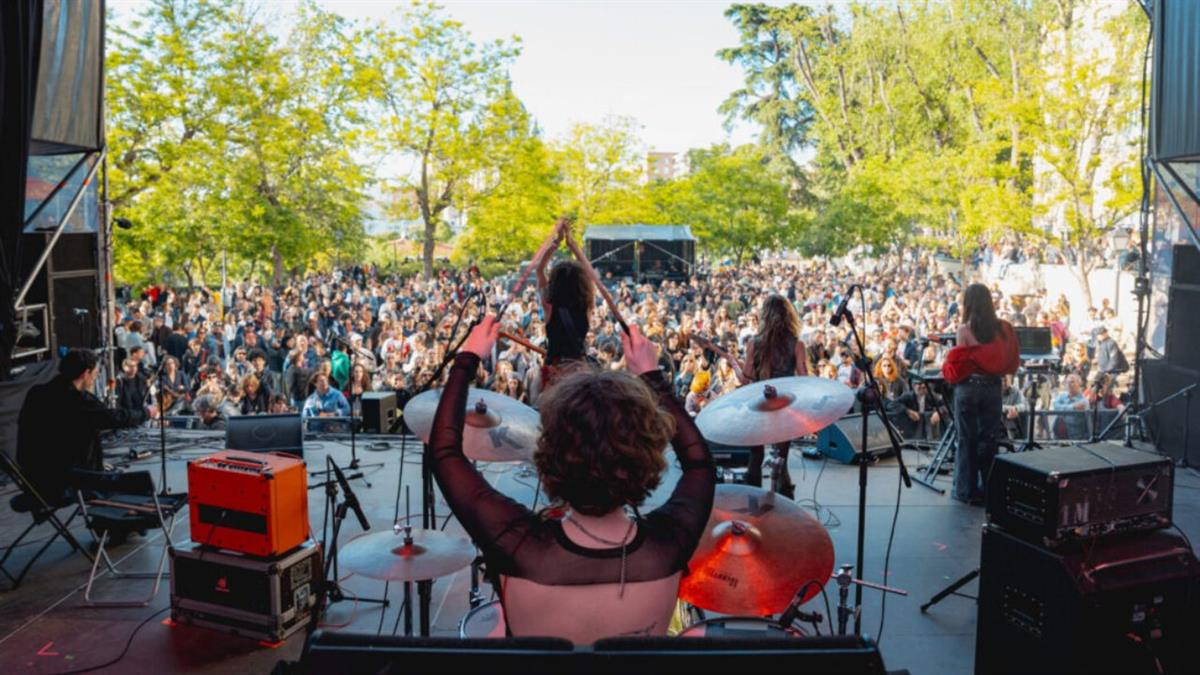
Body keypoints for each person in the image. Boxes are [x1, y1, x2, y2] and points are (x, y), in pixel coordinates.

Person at [429, 316, 714, 644]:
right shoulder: (669, 543)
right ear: (645, 455)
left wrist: (466, 359)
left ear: (550, 453)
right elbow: (700, 463)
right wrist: (652, 377)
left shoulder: (519, 544)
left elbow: (444, 453)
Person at [17, 350, 154, 504]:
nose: (95, 377)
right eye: (95, 373)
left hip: (33, 481)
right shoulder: (78, 400)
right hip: (67, 483)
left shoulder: (36, 393)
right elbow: (114, 418)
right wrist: (146, 413)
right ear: (85, 373)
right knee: (137, 485)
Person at [942, 283, 1020, 505]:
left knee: (966, 440)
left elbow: (960, 365)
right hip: (992, 388)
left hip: (969, 389)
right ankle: (988, 489)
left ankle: (965, 491)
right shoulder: (1003, 329)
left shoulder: (964, 330)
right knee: (989, 439)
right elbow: (1011, 358)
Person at [737, 295, 808, 496]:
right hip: (783, 406)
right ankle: (785, 505)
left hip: (758, 405)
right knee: (781, 460)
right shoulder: (797, 344)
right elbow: (805, 379)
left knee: (755, 456)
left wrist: (736, 367)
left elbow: (745, 379)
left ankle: (754, 502)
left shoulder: (754, 343)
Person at [1051, 374, 1090, 439]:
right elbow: (1055, 407)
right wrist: (1072, 407)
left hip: (1075, 438)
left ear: (1079, 383)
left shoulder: (1083, 401)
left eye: (1072, 382)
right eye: (1067, 382)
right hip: (1057, 437)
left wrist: (1062, 408)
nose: (1069, 384)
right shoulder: (1062, 396)